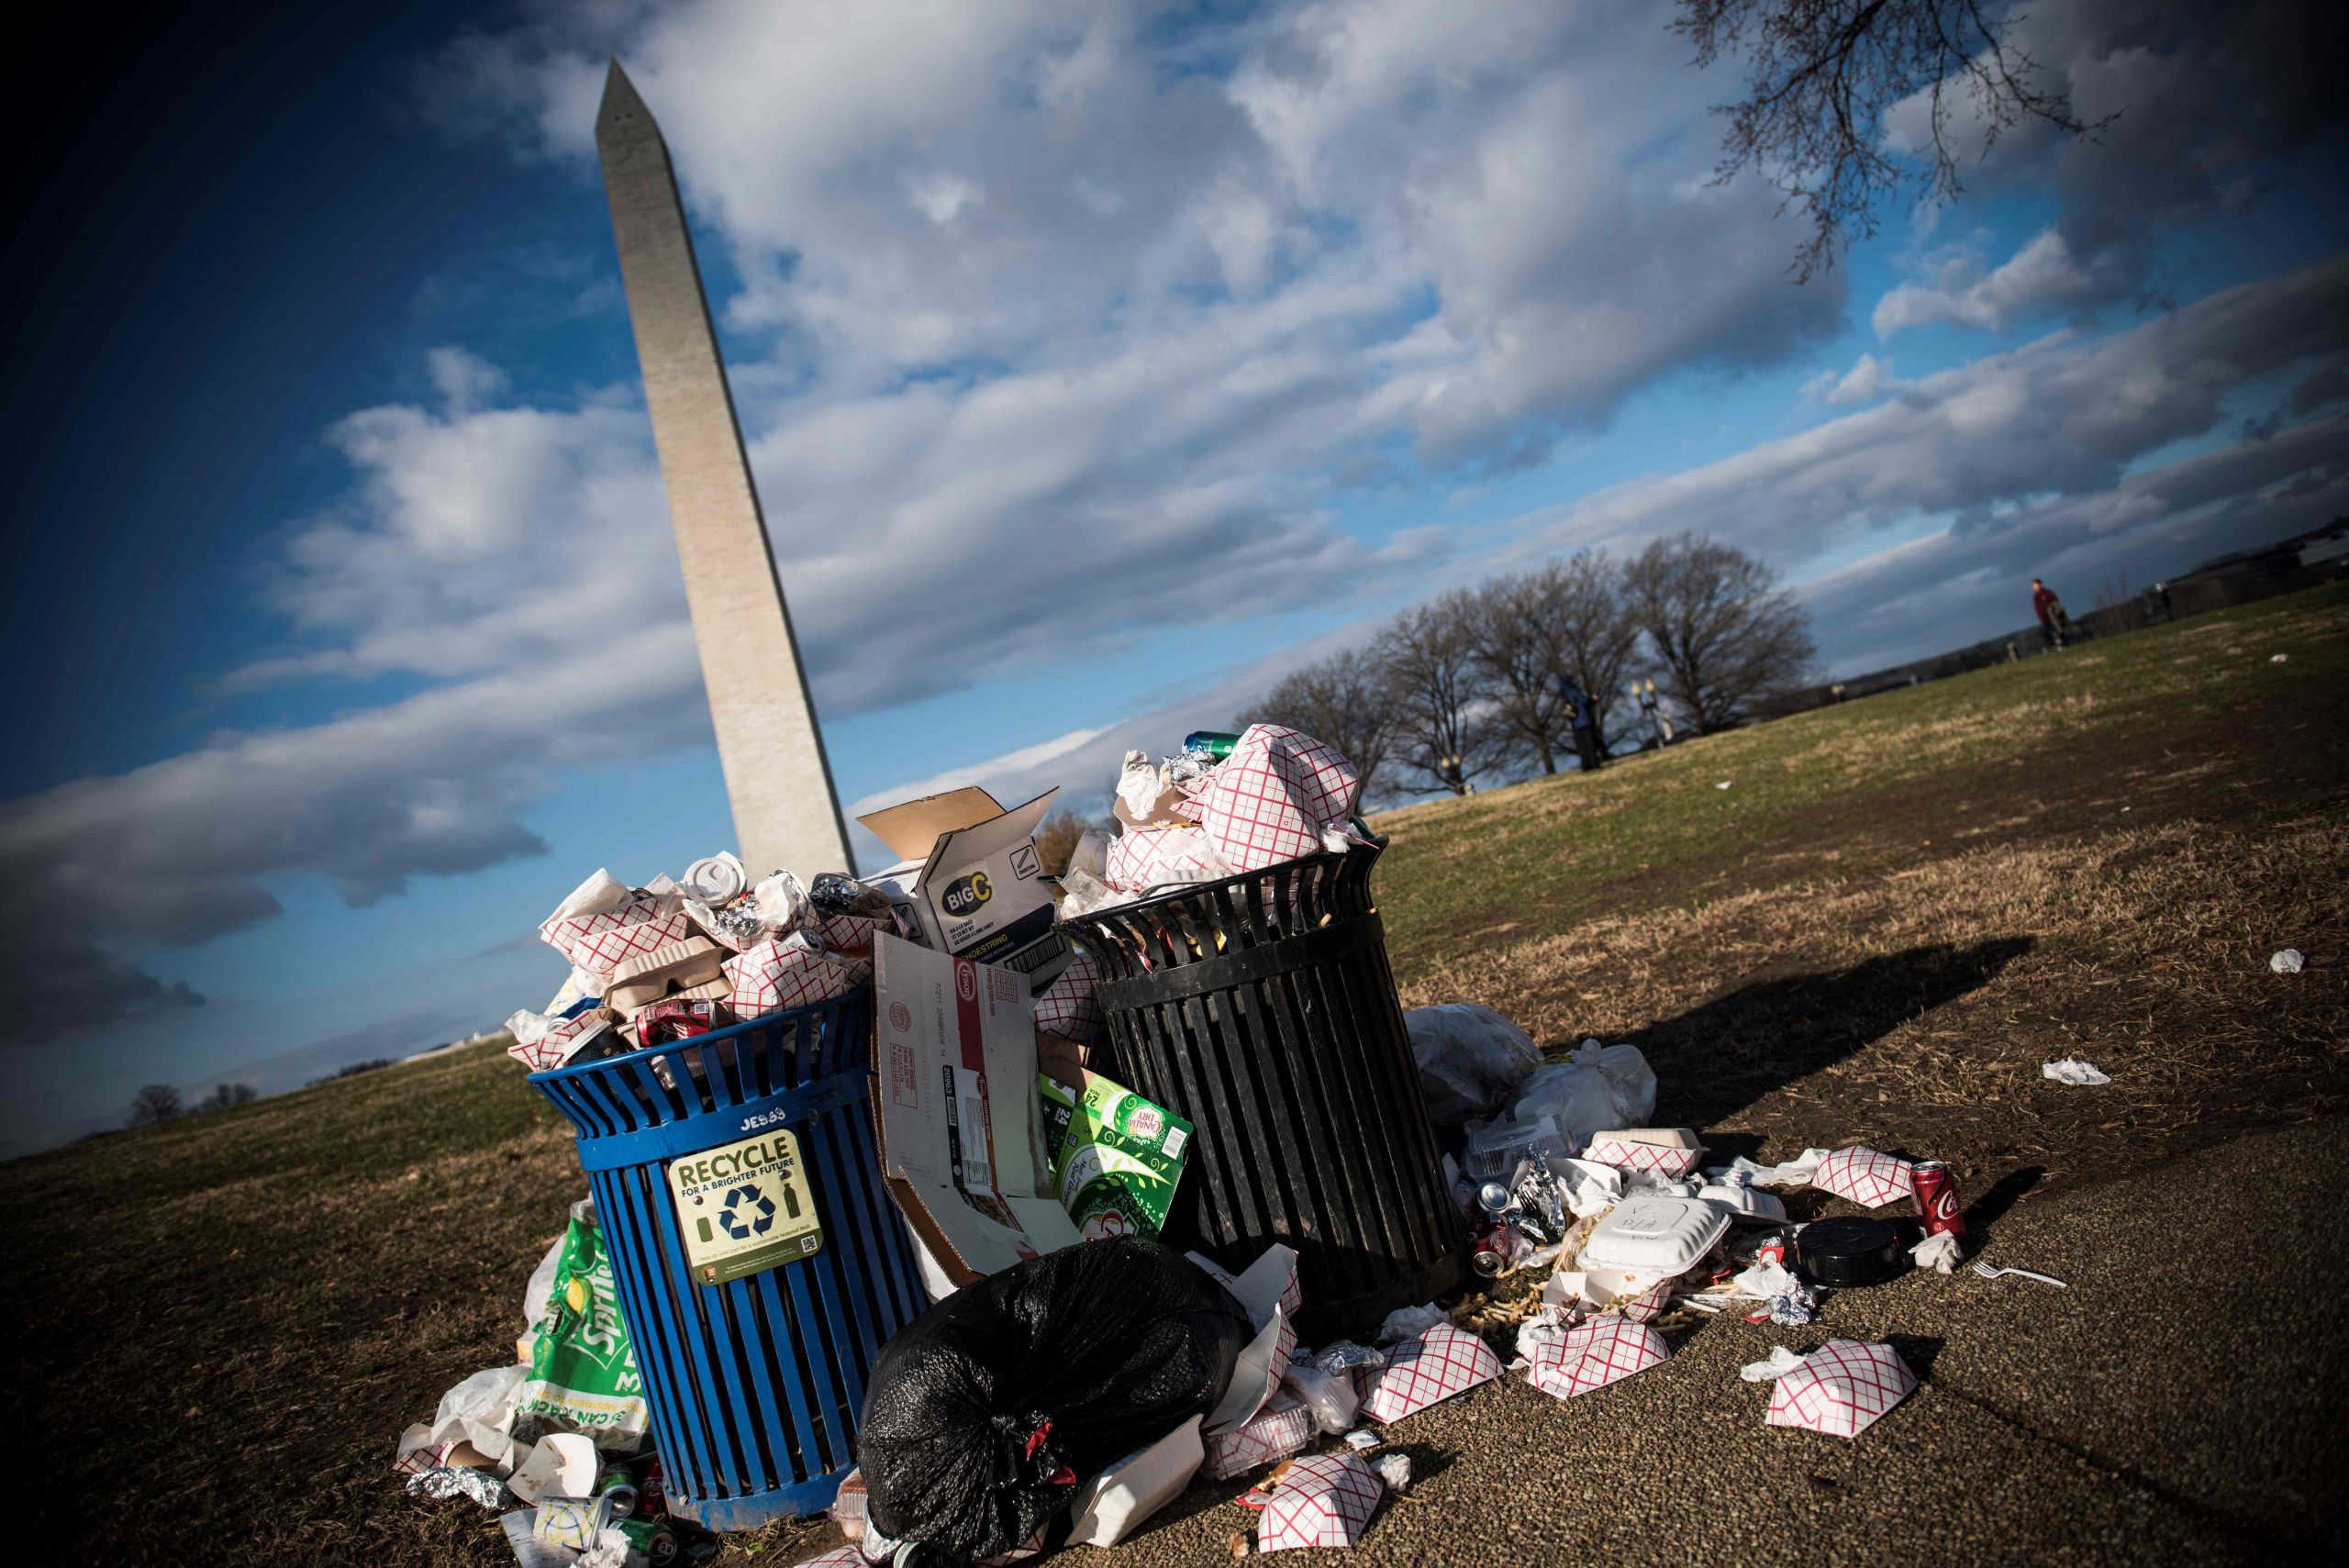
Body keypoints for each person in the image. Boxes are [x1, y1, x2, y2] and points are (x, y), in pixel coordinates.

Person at [1557, 674, 1603, 772]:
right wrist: (1593, 699)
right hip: (1584, 720)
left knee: (1581, 745)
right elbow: (1585, 702)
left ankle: (1585, 765)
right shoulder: (1574, 692)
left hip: (1575, 723)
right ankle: (1595, 763)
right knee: (1590, 743)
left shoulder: (1564, 696)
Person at [2031, 577, 2070, 650]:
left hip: (2053, 616)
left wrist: (2054, 611)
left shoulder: (2047, 593)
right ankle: (2054, 645)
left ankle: (2065, 644)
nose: (2034, 587)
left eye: (2035, 585)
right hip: (2044, 618)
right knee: (2044, 633)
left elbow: (2055, 603)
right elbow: (2038, 608)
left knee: (2059, 630)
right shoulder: (2036, 597)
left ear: (2039, 584)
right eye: (2033, 585)